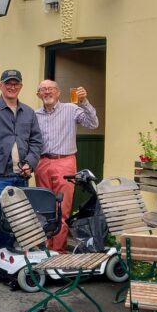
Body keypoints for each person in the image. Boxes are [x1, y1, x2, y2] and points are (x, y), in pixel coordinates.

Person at [0, 69, 43, 282]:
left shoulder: (29, 112)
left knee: (12, 222)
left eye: (15, 83)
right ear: (0, 86)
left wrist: (30, 164)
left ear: (21, 86)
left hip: (21, 176)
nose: (11, 87)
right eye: (8, 83)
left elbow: (36, 142)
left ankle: (2, 259)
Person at [35, 80, 98, 253]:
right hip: (42, 163)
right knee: (44, 209)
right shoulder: (34, 115)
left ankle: (59, 250)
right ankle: (45, 250)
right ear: (38, 94)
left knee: (62, 209)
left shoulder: (71, 109)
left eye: (51, 89)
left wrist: (84, 101)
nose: (47, 92)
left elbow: (93, 124)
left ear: (58, 92)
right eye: (43, 89)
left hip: (65, 161)